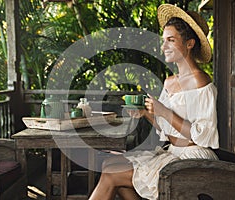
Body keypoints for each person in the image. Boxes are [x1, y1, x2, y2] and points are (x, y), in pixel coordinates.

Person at [89, 4, 219, 200]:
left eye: (171, 40)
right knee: (110, 166)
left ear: (190, 43)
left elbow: (202, 137)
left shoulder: (200, 81)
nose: (164, 46)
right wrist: (147, 114)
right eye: (163, 40)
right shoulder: (170, 81)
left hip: (192, 160)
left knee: (111, 175)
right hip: (173, 153)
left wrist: (164, 111)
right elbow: (167, 129)